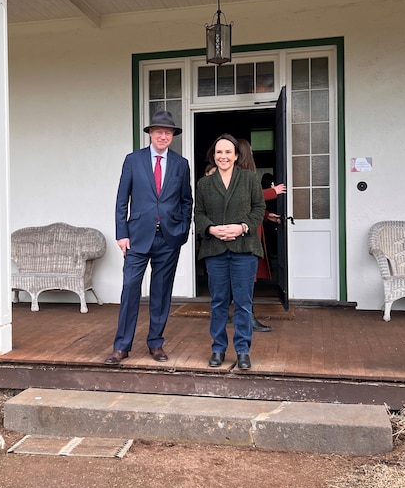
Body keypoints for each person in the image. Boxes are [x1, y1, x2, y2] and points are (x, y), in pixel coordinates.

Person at [105, 110, 194, 366]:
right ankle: (121, 347)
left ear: (172, 136)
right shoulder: (133, 160)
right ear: (151, 134)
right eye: (159, 131)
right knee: (130, 289)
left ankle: (156, 343)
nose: (163, 136)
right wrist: (121, 233)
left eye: (168, 132)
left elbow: (186, 201)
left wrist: (182, 230)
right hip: (137, 238)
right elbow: (122, 200)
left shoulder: (181, 164)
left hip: (168, 238)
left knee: (161, 292)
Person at [194, 134, 265, 370]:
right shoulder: (204, 184)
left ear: (236, 156)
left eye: (227, 152)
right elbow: (199, 213)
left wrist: (242, 227)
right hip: (215, 249)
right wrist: (212, 229)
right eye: (219, 152)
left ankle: (243, 350)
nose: (223, 156)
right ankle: (218, 348)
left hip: (244, 249)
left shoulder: (249, 179)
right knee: (218, 303)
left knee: (243, 303)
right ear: (213, 156)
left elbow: (259, 208)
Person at [236, 138, 287, 332]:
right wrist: (272, 192)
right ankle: (248, 319)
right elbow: (248, 197)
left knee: (246, 279)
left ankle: (244, 317)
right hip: (245, 235)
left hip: (249, 231)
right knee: (246, 280)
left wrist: (266, 215)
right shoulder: (239, 175)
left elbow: (248, 204)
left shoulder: (244, 174)